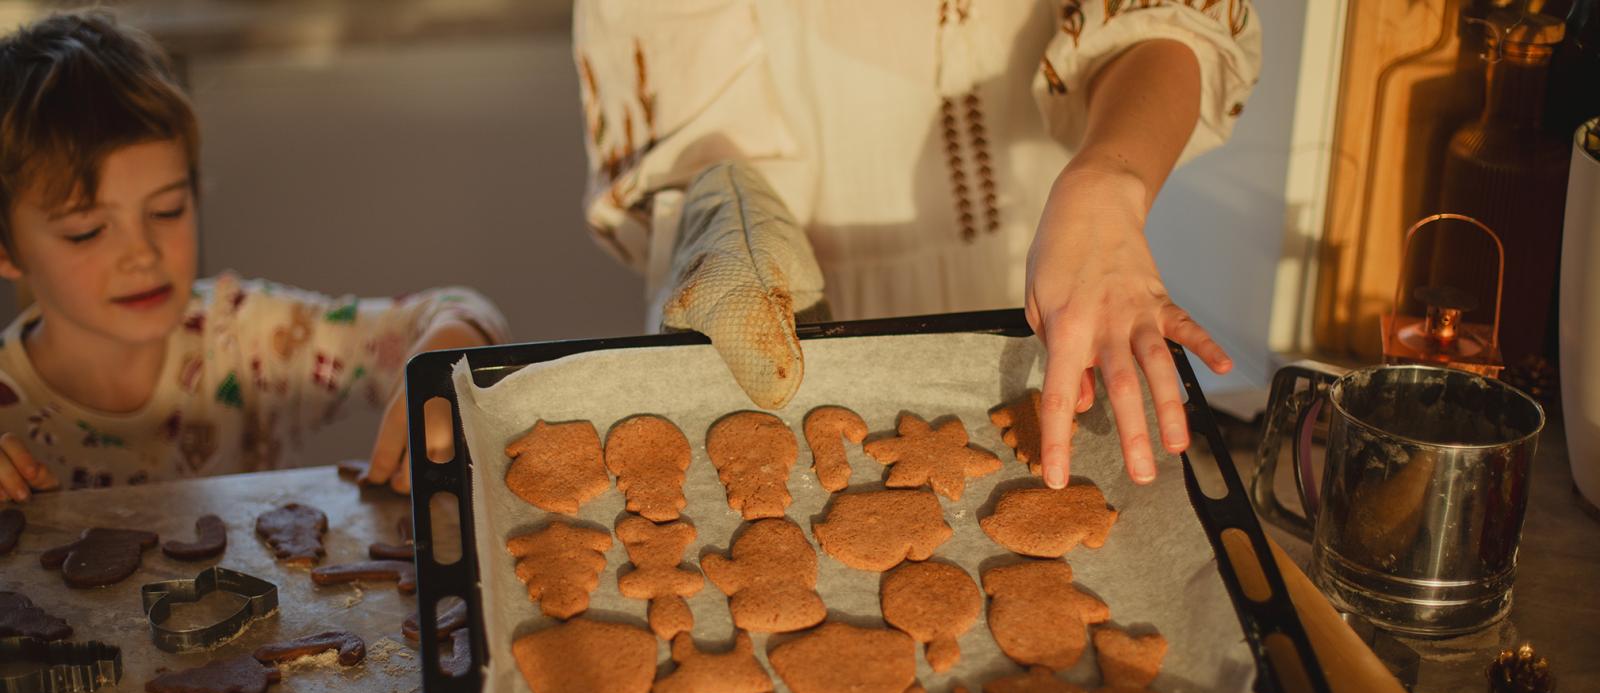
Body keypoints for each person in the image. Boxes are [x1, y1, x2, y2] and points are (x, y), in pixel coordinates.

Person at [573, 1, 1261, 487]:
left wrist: (1108, 181)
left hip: (1047, 280)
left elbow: (1165, 19)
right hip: (781, 302)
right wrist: (730, 213)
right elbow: (685, 111)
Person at [0, 11, 508, 502]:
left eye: (167, 210)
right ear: (7, 250)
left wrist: (442, 367)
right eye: (87, 232)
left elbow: (458, 309)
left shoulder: (244, 340)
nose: (141, 254)